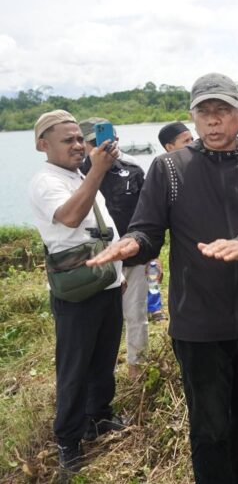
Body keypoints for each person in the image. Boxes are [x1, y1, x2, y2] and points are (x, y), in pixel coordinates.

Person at [88, 73, 238, 484]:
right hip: (197, 324)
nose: (214, 121)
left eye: (222, 112)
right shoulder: (169, 168)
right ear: (193, 117)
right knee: (210, 423)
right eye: (205, 112)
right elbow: (148, 231)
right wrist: (132, 243)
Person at [28, 110, 126, 475]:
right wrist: (98, 170)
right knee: (74, 368)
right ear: (43, 144)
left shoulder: (77, 175)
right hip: (77, 289)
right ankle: (68, 440)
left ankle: (98, 419)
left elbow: (99, 227)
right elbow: (70, 217)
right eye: (67, 139)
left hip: (105, 281)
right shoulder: (46, 181)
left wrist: (118, 274)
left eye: (78, 138)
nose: (77, 145)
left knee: (102, 359)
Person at [78, 118, 151, 377]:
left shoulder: (132, 168)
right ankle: (93, 376)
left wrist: (152, 256)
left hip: (133, 256)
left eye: (108, 139)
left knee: (136, 315)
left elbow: (147, 215)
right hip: (93, 261)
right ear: (83, 144)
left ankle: (137, 371)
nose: (103, 146)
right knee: (96, 322)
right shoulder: (74, 173)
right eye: (93, 142)